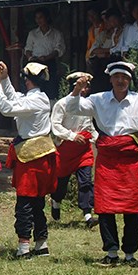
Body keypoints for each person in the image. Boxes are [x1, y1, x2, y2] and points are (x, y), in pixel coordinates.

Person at [66, 61, 138, 267]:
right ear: (111, 79)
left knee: (133, 209)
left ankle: (130, 254)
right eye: (117, 77)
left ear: (130, 80)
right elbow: (71, 107)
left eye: (125, 78)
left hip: (131, 160)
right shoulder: (98, 99)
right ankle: (111, 252)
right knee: (105, 208)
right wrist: (78, 89)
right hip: (107, 160)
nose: (121, 81)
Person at [0, 61, 56, 257]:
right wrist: (5, 80)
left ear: (27, 81)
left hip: (31, 157)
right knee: (36, 202)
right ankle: (41, 243)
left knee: (25, 202)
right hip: (39, 155)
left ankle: (24, 247)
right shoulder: (36, 98)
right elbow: (14, 98)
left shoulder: (34, 101)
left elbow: (6, 108)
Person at [50, 72, 98, 227]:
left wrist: (97, 138)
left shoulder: (87, 105)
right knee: (61, 183)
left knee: (85, 182)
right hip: (66, 149)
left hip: (83, 150)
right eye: (83, 85)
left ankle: (87, 215)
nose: (85, 89)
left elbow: (89, 125)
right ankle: (56, 201)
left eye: (86, 86)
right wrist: (71, 136)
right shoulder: (62, 104)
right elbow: (55, 125)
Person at [23, 7, 65, 99]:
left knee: (50, 88)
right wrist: (30, 58)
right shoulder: (32, 33)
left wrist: (47, 57)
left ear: (47, 17)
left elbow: (59, 49)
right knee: (35, 88)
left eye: (41, 17)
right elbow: (28, 49)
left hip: (49, 63)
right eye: (37, 18)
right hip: (35, 63)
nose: (39, 20)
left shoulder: (56, 33)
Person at [88, 8, 124, 92]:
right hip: (100, 65)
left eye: (109, 20)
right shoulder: (102, 35)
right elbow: (93, 50)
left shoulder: (119, 31)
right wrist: (107, 51)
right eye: (105, 20)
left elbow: (116, 49)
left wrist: (105, 52)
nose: (107, 23)